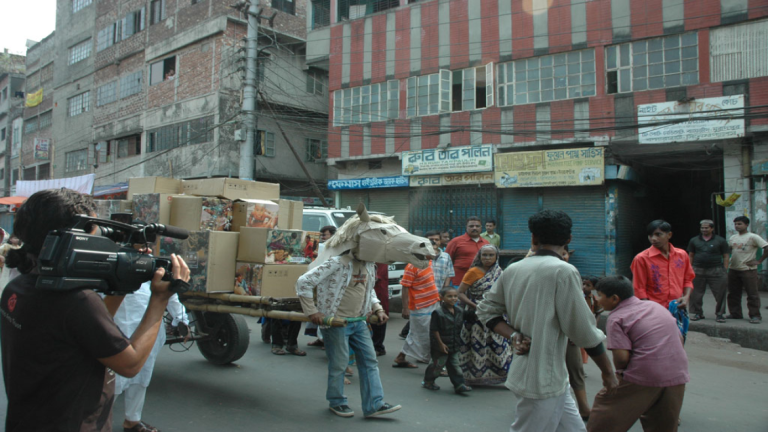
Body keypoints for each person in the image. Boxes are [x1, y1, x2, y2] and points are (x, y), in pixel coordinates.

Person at [0, 188, 190, 431]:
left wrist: (121, 283)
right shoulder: (76, 301)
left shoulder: (18, 287)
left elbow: (85, 331)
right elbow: (130, 364)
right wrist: (160, 299)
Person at [476, 210, 618, 432]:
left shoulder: (514, 269)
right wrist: (608, 372)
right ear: (569, 239)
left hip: (548, 376)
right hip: (541, 379)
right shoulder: (564, 271)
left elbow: (486, 310)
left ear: (533, 238)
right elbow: (584, 332)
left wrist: (514, 335)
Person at [296, 206, 408, 419]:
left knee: (370, 362)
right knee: (339, 364)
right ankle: (337, 401)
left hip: (359, 322)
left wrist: (377, 308)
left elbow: (369, 289)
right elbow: (304, 282)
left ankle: (374, 404)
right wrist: (313, 312)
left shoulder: (369, 265)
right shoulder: (337, 263)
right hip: (336, 322)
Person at [587, 276, 689, 432]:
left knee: (604, 413)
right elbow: (679, 339)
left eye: (600, 295)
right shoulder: (655, 306)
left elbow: (621, 359)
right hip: (678, 372)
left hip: (644, 374)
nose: (597, 299)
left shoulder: (617, 317)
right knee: (662, 424)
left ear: (614, 299)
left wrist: (617, 375)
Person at [113, 282, 189, 432]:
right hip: (117, 330)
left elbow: (169, 292)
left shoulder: (154, 272)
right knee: (114, 381)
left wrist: (181, 319)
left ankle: (132, 421)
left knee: (142, 376)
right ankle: (95, 421)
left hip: (148, 332)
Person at [457, 244, 512, 386]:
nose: (487, 258)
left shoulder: (500, 273)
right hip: (476, 316)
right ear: (479, 257)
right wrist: (475, 306)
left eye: (491, 255)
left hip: (496, 314)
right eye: (484, 255)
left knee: (499, 346)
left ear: (496, 257)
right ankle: (474, 377)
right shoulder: (473, 272)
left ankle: (504, 377)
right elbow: (460, 293)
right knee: (477, 345)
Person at [393, 245, 440, 368]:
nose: (434, 253)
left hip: (432, 303)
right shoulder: (412, 266)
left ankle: (401, 357)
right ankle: (432, 363)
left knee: (415, 333)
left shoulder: (428, 263)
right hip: (420, 306)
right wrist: (405, 308)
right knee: (425, 334)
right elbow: (405, 287)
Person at [630, 220, 694, 309]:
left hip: (676, 306)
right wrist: (648, 309)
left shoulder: (682, 255)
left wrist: (686, 297)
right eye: (650, 235)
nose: (653, 239)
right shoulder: (641, 259)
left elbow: (688, 279)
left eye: (658, 234)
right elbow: (639, 288)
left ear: (669, 235)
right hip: (653, 308)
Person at [421, 287, 473, 394]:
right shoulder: (438, 313)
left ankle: (459, 385)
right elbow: (434, 330)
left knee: (455, 365)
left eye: (455, 296)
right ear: (442, 298)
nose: (453, 298)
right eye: (449, 296)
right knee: (437, 365)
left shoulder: (459, 311)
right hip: (440, 345)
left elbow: (471, 316)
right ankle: (428, 381)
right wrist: (440, 344)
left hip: (454, 344)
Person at [686, 219, 729, 323]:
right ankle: (698, 313)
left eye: (706, 228)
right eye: (702, 228)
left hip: (716, 270)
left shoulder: (720, 240)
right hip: (698, 269)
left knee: (720, 293)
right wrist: (689, 268)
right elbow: (691, 255)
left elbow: (726, 256)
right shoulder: (694, 240)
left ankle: (720, 314)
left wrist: (725, 269)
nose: (704, 230)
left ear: (712, 228)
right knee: (696, 293)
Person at [727, 216, 766, 324]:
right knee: (733, 293)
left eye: (739, 224)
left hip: (748, 269)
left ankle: (755, 315)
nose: (737, 226)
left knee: (752, 294)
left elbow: (766, 247)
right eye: (735, 224)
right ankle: (735, 313)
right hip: (733, 269)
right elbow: (729, 251)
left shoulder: (753, 237)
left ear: (746, 225)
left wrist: (759, 261)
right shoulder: (733, 238)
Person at [305, 225, 339, 348]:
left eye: (325, 235)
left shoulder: (337, 248)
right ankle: (321, 338)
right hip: (321, 283)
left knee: (329, 313)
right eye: (321, 235)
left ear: (332, 235)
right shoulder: (322, 247)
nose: (323, 237)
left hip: (332, 285)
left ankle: (327, 341)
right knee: (321, 310)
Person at [445, 217, 489, 286]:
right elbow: (446, 261)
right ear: (466, 227)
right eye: (471, 226)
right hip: (459, 282)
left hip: (480, 283)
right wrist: (446, 284)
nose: (474, 228)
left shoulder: (486, 243)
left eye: (477, 226)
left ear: (481, 228)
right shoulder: (455, 242)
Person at [371, 263, 389, 356]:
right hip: (371, 294)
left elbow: (375, 278)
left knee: (379, 321)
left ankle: (378, 347)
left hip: (379, 293)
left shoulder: (380, 261)